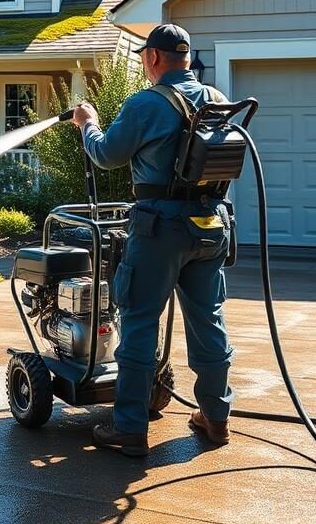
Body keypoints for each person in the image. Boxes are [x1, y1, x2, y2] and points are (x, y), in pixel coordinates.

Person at [71, 23, 234, 457]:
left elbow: (106, 155)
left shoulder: (147, 102)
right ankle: (216, 418)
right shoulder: (216, 100)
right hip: (211, 226)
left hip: (160, 227)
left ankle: (129, 428)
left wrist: (89, 124)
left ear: (154, 58)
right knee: (208, 320)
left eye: (144, 56)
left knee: (140, 321)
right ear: (186, 56)